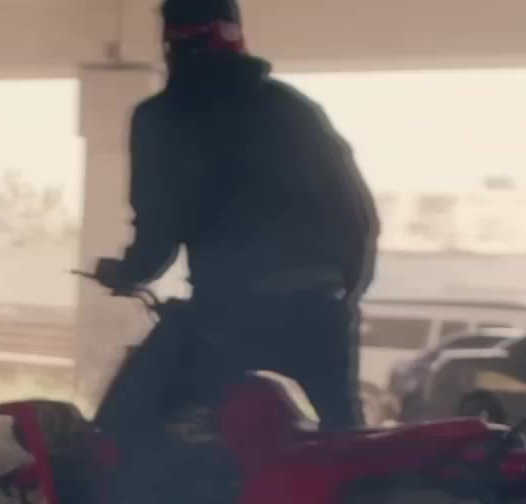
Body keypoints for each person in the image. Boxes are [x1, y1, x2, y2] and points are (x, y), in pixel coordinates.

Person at [91, 0, 380, 451]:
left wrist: (127, 272)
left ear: (169, 43)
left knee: (125, 425)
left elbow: (159, 225)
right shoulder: (293, 108)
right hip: (319, 306)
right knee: (345, 445)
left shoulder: (163, 117)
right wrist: (343, 296)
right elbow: (358, 215)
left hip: (226, 313)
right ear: (237, 36)